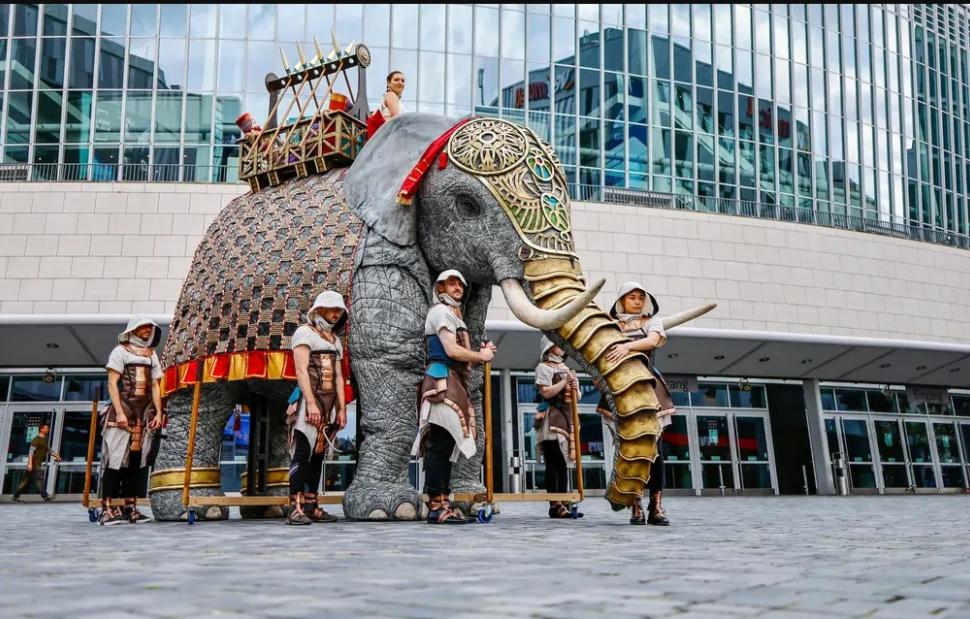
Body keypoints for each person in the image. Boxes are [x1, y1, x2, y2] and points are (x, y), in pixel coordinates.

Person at [413, 270, 496, 525]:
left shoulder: (454, 315)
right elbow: (451, 350)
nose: (457, 287)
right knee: (440, 444)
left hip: (453, 381)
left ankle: (443, 502)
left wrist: (480, 352)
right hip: (441, 381)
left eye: (460, 283)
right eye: (451, 283)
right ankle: (436, 506)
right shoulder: (440, 312)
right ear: (441, 288)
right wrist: (481, 356)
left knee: (448, 445)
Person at [598, 282, 675, 526]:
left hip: (649, 391)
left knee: (655, 452)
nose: (638, 301)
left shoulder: (652, 322)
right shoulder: (610, 326)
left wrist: (626, 346)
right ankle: (635, 505)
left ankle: (656, 505)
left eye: (641, 297)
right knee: (628, 451)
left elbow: (651, 342)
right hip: (619, 391)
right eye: (632, 297)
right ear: (622, 300)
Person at [285, 291, 348, 525]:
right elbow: (301, 370)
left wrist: (341, 409)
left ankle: (311, 505)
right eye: (332, 308)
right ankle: (295, 507)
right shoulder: (304, 333)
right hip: (307, 402)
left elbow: (339, 377)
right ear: (319, 309)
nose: (336, 313)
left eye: (339, 310)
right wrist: (310, 403)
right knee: (302, 452)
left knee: (318, 454)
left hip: (328, 405)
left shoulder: (335, 340)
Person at [100, 316, 164, 525]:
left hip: (143, 415)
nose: (148, 330)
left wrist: (159, 413)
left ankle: (130, 507)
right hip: (123, 411)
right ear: (133, 329)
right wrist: (119, 412)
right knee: (115, 460)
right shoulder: (120, 351)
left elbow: (155, 385)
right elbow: (112, 383)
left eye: (150, 327)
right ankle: (107, 509)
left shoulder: (152, 354)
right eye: (144, 326)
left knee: (137, 463)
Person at [534, 337, 584, 519]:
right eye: (557, 343)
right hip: (552, 420)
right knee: (554, 463)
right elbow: (546, 392)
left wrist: (575, 387)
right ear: (548, 346)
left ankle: (564, 502)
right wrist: (565, 381)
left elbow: (576, 398)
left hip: (568, 419)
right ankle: (555, 505)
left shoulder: (566, 368)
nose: (562, 347)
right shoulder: (543, 367)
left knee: (564, 464)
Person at [11, 422, 61, 502]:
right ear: (41, 429)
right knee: (39, 479)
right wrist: (30, 464)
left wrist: (56, 456)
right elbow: (31, 452)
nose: (48, 429)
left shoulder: (44, 439)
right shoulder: (36, 440)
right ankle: (45, 496)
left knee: (25, 480)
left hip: (37, 463)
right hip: (35, 463)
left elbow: (48, 450)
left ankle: (15, 496)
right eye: (46, 428)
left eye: (48, 428)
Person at [366, 71, 407, 138]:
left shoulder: (389, 97)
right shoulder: (391, 95)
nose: (400, 83)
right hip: (391, 136)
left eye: (403, 81)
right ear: (388, 83)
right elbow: (397, 119)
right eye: (396, 80)